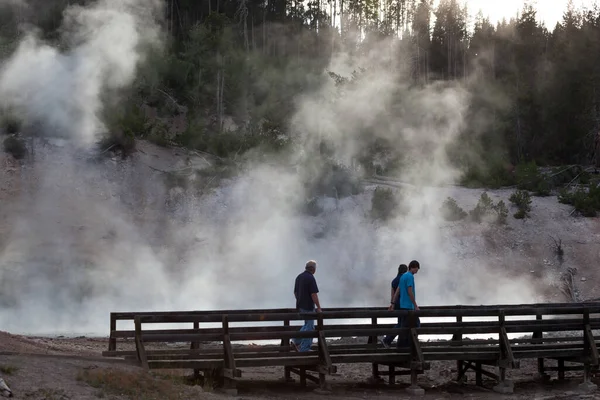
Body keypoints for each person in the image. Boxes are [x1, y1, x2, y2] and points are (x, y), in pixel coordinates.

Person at [388, 260, 420, 348]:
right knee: (416, 325)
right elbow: (410, 291)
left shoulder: (402, 277)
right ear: (414, 267)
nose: (417, 271)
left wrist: (393, 303)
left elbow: (397, 291)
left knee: (403, 326)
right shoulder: (410, 277)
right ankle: (410, 346)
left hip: (402, 306)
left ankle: (401, 346)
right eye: (417, 269)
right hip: (409, 306)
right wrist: (415, 305)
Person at [291, 260, 322, 352]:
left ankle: (296, 341)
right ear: (313, 269)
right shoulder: (310, 278)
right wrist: (319, 307)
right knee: (310, 327)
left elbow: (295, 292)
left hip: (300, 306)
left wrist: (299, 300)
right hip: (308, 306)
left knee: (307, 325)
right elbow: (313, 294)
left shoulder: (299, 277)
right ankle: (304, 348)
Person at [381, 264, 408, 348]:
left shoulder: (394, 280)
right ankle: (389, 340)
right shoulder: (404, 279)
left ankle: (394, 342)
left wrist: (392, 304)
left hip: (397, 304)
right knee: (402, 324)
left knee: (401, 323)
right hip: (403, 305)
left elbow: (392, 294)